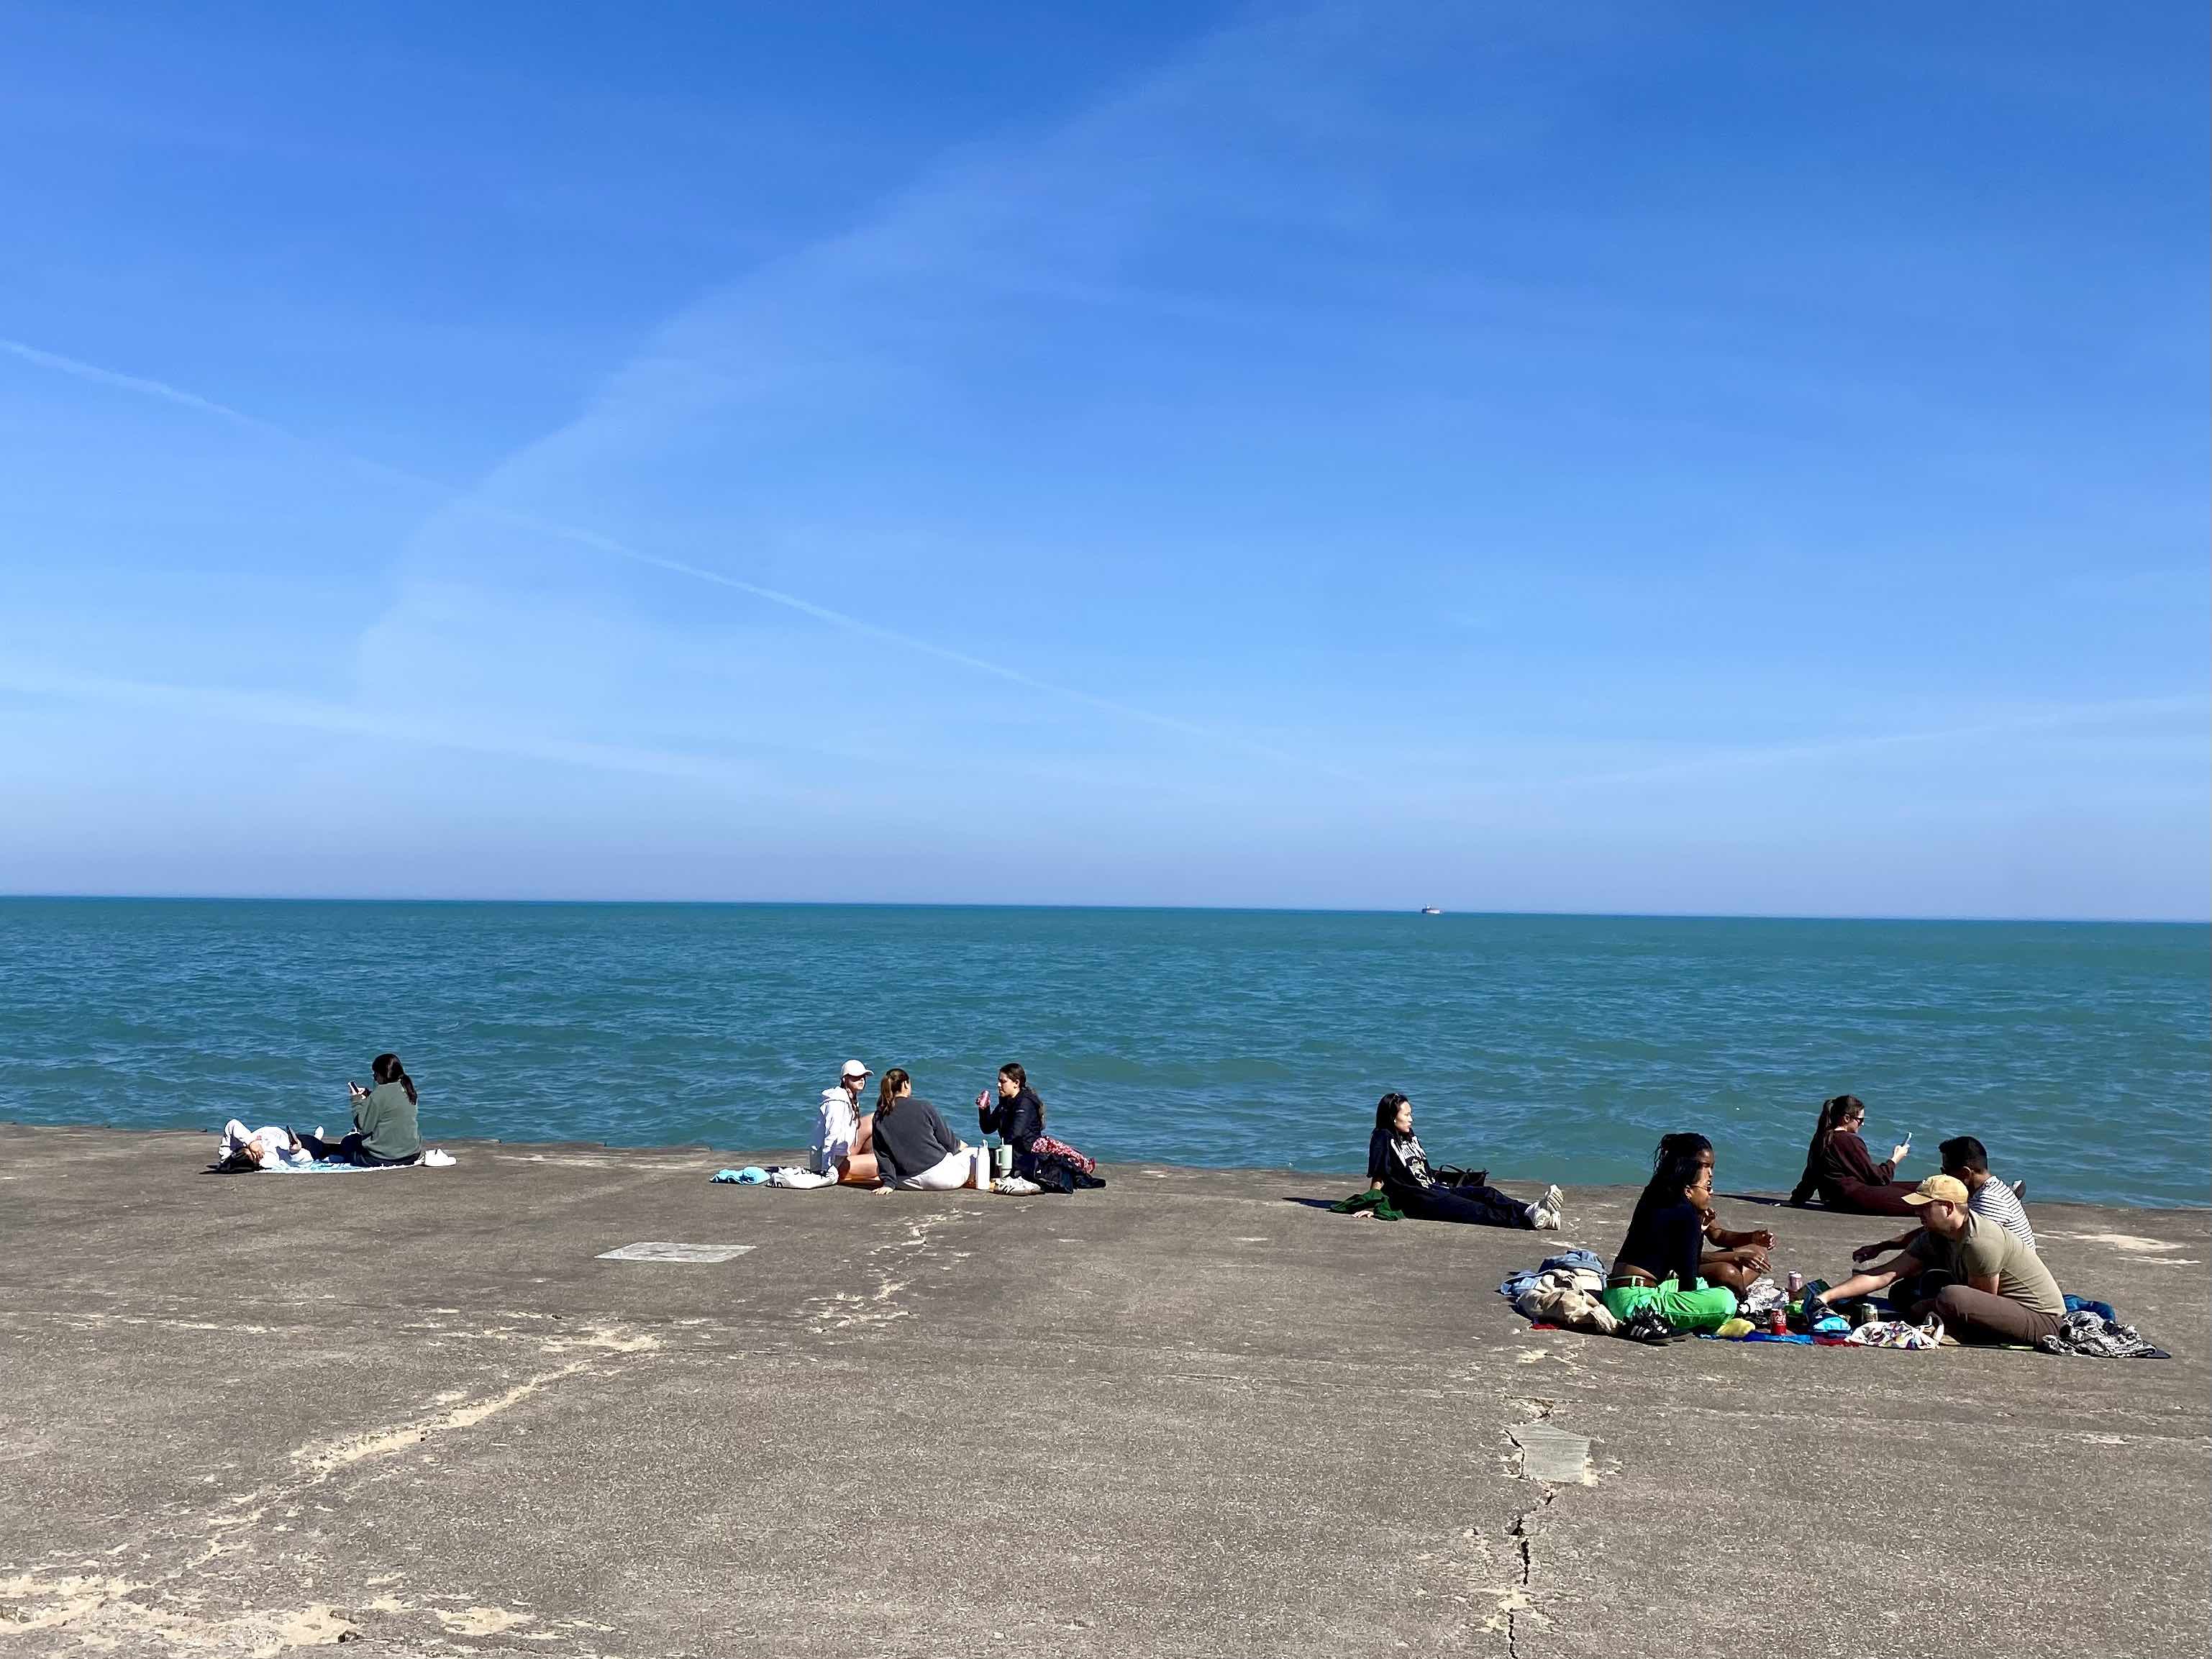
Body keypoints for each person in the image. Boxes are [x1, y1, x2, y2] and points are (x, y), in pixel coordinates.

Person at [1810, 1174, 2064, 1345]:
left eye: (1924, 1207)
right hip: (1999, 1305)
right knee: (1902, 1292)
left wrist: (1927, 1307)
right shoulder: (1936, 1234)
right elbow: (1887, 1273)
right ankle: (1940, 1316)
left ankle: (1953, 1329)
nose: (1917, 1212)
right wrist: (1826, 1297)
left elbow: (1982, 1301)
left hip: (2042, 1320)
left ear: (1948, 1208)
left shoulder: (1980, 1240)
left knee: (1951, 1296)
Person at [1363, 1094, 1562, 1230]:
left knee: (1487, 1193)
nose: (1411, 1119)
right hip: (1416, 1199)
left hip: (1433, 1189)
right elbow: (1379, 1175)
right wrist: (1372, 1205)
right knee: (1474, 1210)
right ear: (1392, 1117)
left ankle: (1531, 1210)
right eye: (1406, 1115)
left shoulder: (1407, 1135)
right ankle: (1530, 1221)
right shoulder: (1382, 1137)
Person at [1602, 1140, 1740, 1333]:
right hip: (1637, 1304)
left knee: (1704, 1284)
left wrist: (1698, 1230)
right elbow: (1687, 1281)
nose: (1711, 1176)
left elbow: (1675, 1259)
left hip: (1616, 1292)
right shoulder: (1686, 1212)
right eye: (1706, 1168)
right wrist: (1696, 1228)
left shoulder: (1655, 1194)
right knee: (1725, 1301)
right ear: (1688, 1189)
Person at [1849, 1135, 2034, 1274]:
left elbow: (1964, 1247)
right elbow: (1931, 1234)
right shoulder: (1979, 1192)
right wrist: (1882, 1247)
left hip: (2007, 1276)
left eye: (1945, 1171)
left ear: (1965, 1173)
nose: (1944, 1176)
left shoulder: (1988, 1201)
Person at [1653, 1132, 1777, 1296]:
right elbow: (1681, 1257)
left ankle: (1733, 1290)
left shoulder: (1697, 1194)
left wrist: (1753, 1238)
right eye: (1706, 1166)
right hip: (1674, 1268)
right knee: (1727, 1271)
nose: (1710, 1173)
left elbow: (1717, 1235)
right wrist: (1736, 1256)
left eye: (1712, 1167)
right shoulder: (1673, 1199)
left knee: (1758, 1252)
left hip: (1692, 1260)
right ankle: (1736, 1295)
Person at [1786, 1094, 1918, 1214]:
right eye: (1860, 1120)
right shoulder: (1849, 1140)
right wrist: (1895, 1159)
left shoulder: (1822, 1137)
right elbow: (1879, 1179)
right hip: (1853, 1198)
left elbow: (1811, 1176)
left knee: (1920, 1187)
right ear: (1847, 1118)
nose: (1862, 1124)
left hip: (1836, 1198)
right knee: (1925, 1203)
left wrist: (1797, 1199)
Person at [870, 1069, 989, 1194]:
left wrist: (889, 1184)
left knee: (881, 1169)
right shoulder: (923, 1106)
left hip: (907, 1181)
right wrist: (960, 1145)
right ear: (905, 1084)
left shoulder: (879, 1116)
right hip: (941, 1179)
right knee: (976, 1153)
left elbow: (883, 1155)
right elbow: (949, 1143)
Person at [297, 1053, 422, 1167]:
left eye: (376, 1074)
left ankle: (310, 1146)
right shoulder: (407, 1088)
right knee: (353, 1142)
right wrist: (370, 1096)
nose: (374, 1078)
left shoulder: (380, 1094)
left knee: (348, 1142)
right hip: (411, 1154)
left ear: (383, 1075)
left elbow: (363, 1128)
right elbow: (390, 1106)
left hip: (384, 1158)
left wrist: (356, 1100)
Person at [812, 1059, 880, 1185]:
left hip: (842, 1154)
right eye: (856, 1077)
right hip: (832, 1164)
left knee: (875, 1119)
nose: (862, 1080)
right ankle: (854, 1172)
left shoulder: (850, 1097)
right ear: (845, 1079)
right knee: (885, 1163)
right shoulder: (837, 1102)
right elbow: (831, 1138)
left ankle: (862, 1163)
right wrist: (827, 1171)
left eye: (863, 1076)